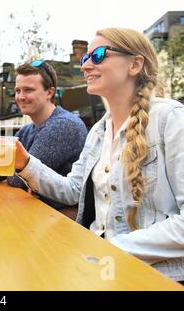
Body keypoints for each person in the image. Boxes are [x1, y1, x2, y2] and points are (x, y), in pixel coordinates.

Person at [13, 27, 184, 282]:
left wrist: (110, 248)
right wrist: (25, 163)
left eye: (99, 55)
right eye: (85, 58)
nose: (85, 66)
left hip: (153, 275)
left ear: (135, 64)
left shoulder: (169, 119)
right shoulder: (98, 131)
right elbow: (72, 189)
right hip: (101, 265)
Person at [0, 61, 87, 213]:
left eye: (28, 90)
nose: (20, 97)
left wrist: (11, 172)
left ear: (49, 92)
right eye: (18, 90)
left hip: (64, 221)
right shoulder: (26, 130)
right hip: (38, 212)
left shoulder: (64, 125)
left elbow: (17, 179)